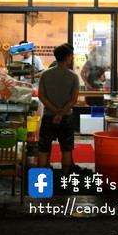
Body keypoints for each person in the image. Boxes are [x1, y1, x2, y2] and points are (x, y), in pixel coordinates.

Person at [37, 43, 80, 177]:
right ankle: (65, 179)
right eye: (71, 56)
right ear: (68, 57)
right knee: (66, 149)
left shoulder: (45, 74)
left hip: (48, 117)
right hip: (66, 117)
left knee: (44, 149)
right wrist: (61, 113)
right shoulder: (73, 76)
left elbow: (41, 96)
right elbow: (73, 100)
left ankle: (41, 183)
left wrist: (54, 111)